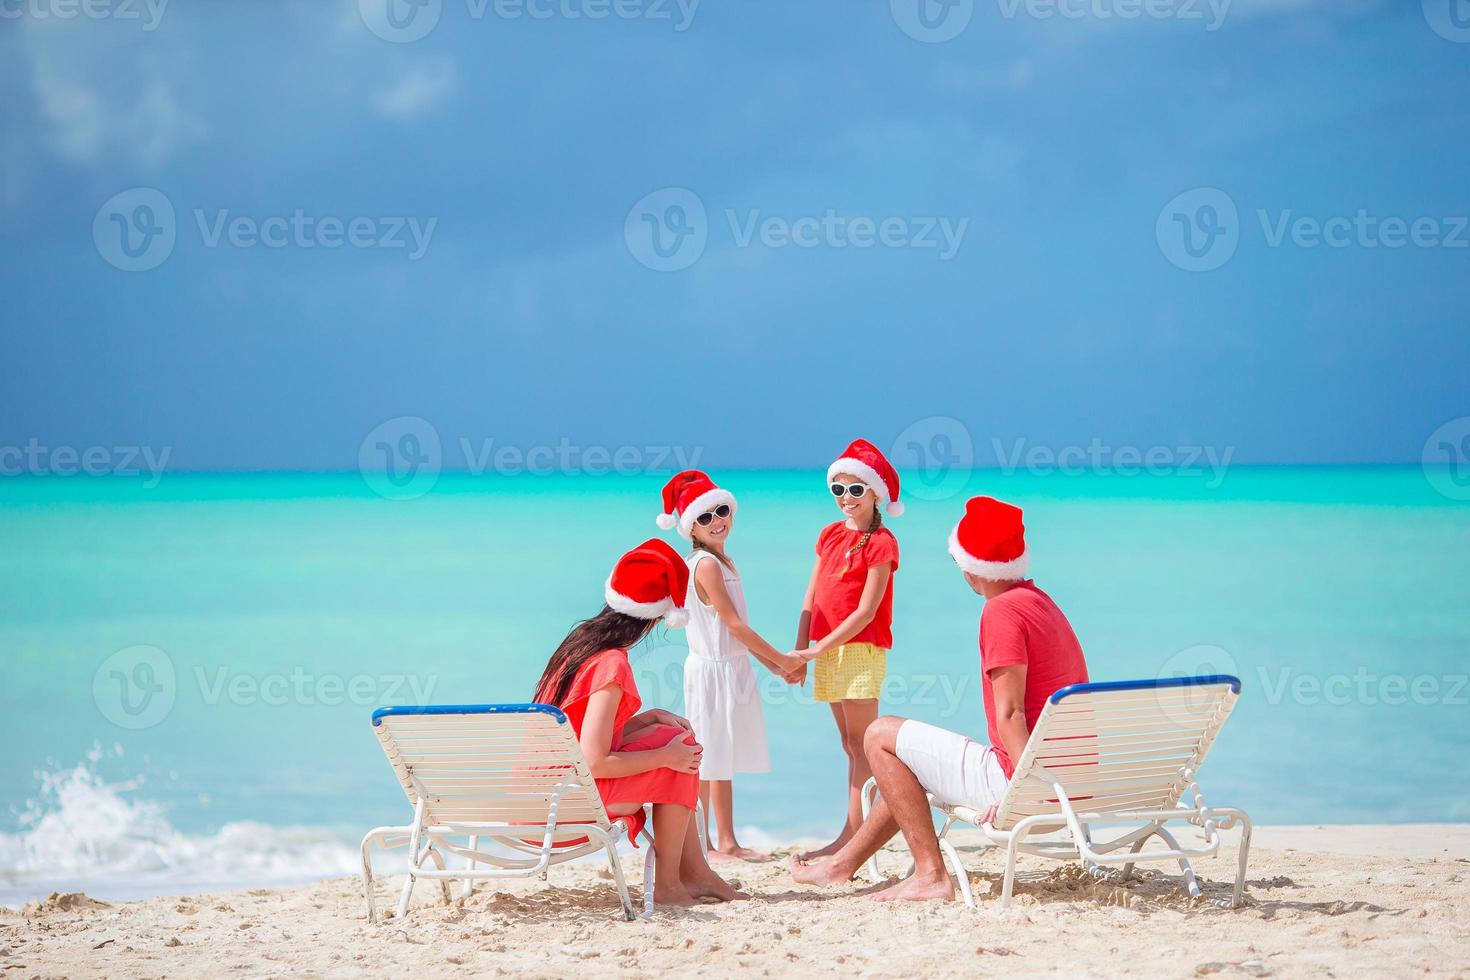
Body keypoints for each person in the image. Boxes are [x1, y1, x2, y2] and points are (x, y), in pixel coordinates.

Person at [789, 495, 1089, 902]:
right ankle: (841, 866)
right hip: (1074, 783)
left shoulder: (1001, 612)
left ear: (969, 567)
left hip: (1028, 785)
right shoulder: (1042, 603)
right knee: (906, 757)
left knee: (878, 735)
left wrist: (1021, 794)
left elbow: (1011, 713)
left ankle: (931, 875)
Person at [533, 537, 744, 907]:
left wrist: (645, 723)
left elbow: (578, 738)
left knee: (671, 739)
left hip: (533, 798)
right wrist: (666, 757)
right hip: (564, 807)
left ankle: (695, 873)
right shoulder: (611, 663)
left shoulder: (578, 645)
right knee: (680, 755)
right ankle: (671, 885)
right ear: (657, 617)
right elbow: (594, 759)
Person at [656, 470, 804, 861]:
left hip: (729, 666)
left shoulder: (723, 561)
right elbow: (734, 624)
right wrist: (783, 658)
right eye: (705, 517)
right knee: (708, 757)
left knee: (721, 757)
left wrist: (771, 666)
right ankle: (706, 842)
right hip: (711, 670)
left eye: (722, 511)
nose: (717, 521)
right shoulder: (704, 565)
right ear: (691, 527)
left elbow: (737, 629)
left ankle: (724, 840)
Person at [790, 439, 904, 860]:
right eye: (838, 490)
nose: (846, 499)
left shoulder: (881, 543)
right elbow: (812, 594)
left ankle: (854, 837)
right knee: (848, 743)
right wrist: (800, 650)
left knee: (864, 742)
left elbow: (865, 610)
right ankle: (857, 831)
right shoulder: (829, 536)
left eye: (856, 490)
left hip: (858, 650)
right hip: (825, 650)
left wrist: (815, 650)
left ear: (875, 493)